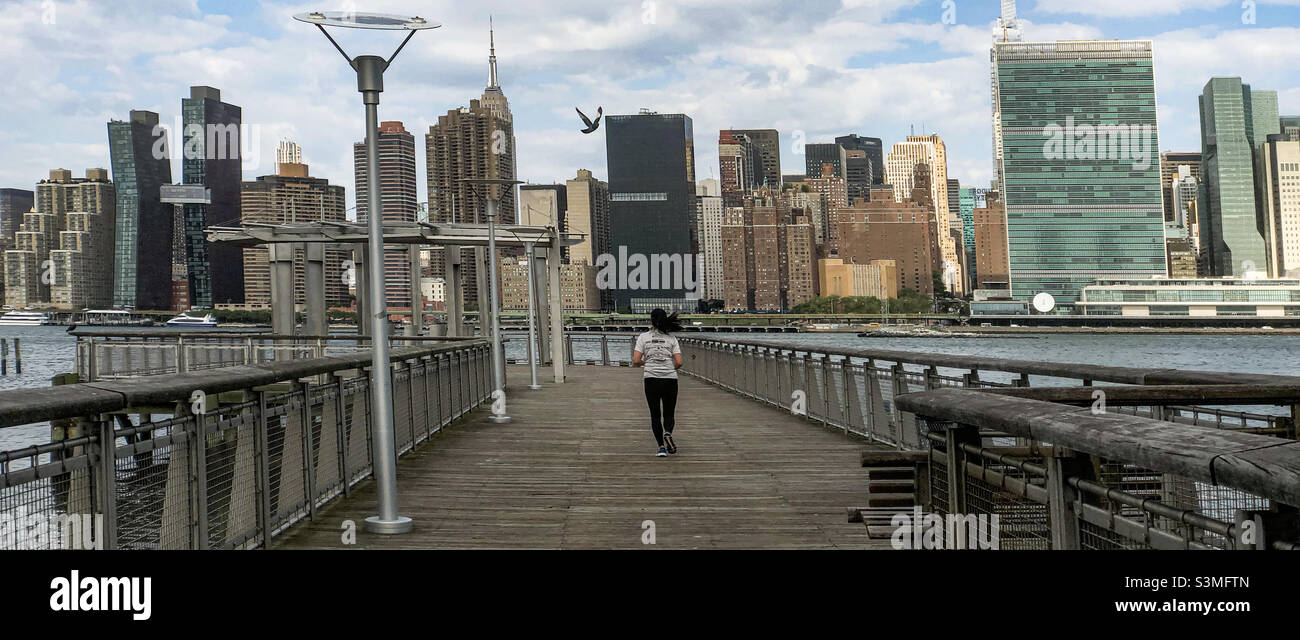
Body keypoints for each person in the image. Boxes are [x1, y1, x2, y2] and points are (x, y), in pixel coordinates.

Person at [632, 309, 684, 457]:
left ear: (651, 320)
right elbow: (679, 362)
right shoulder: (671, 339)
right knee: (669, 412)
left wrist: (645, 363)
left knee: (655, 414)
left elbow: (635, 360)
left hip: (651, 379)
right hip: (670, 379)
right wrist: (669, 368)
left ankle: (661, 447)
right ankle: (668, 432)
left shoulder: (643, 337)